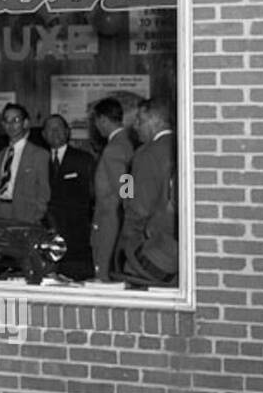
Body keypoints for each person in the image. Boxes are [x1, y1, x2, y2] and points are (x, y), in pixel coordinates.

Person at [119, 98, 178, 285]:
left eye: (140, 120)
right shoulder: (181, 146)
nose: (135, 126)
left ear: (156, 121)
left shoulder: (146, 153)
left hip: (150, 250)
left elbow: (137, 206)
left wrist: (124, 194)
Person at [41, 114, 95, 280]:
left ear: (67, 132)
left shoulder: (83, 159)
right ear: (43, 135)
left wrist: (126, 197)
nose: (54, 132)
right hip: (46, 234)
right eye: (50, 129)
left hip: (76, 238)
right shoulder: (39, 159)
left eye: (58, 128)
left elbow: (125, 181)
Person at [90, 96, 135, 281]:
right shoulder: (126, 143)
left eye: (95, 120)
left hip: (111, 219)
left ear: (102, 119)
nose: (96, 126)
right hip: (117, 217)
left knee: (104, 273)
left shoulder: (114, 148)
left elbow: (125, 190)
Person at [0, 103, 49, 224]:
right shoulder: (2, 154)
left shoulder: (39, 154)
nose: (11, 125)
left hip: (26, 216)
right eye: (7, 121)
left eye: (16, 120)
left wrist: (36, 216)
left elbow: (44, 191)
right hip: (2, 213)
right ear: (2, 124)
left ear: (25, 123)